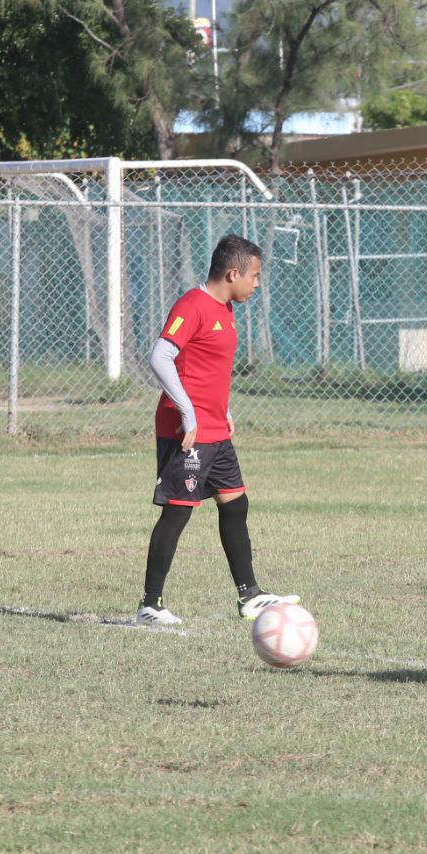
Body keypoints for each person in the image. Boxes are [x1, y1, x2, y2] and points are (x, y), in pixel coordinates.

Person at [137, 234, 299, 625]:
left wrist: (222, 410)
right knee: (178, 513)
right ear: (232, 273)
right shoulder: (192, 305)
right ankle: (150, 605)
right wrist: (188, 413)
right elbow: (161, 356)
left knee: (235, 503)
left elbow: (207, 366)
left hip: (215, 427)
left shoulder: (225, 309)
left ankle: (250, 596)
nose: (257, 284)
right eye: (254, 276)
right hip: (187, 430)